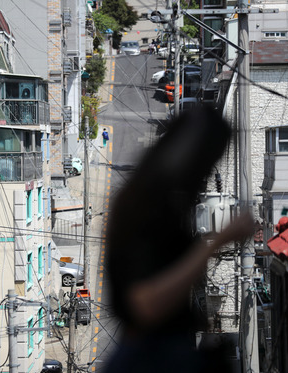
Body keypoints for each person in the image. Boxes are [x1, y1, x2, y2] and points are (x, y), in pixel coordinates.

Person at [105, 107, 254, 373]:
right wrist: (219, 241)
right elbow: (145, 304)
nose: (206, 174)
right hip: (150, 357)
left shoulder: (148, 198)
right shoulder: (149, 207)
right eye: (207, 163)